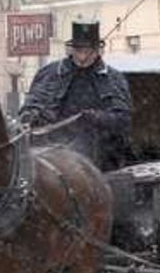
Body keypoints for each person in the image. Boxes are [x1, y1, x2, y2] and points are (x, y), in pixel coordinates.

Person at [19, 21, 133, 172]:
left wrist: (96, 118)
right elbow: (34, 101)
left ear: (98, 50)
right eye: (79, 50)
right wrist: (30, 115)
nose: (83, 56)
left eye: (89, 51)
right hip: (53, 147)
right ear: (71, 50)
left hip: (100, 154)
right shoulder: (51, 74)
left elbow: (123, 119)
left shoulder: (113, 79)